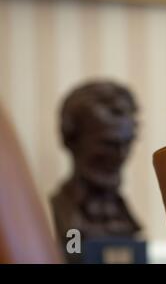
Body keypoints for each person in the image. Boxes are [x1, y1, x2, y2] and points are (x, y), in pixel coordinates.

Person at [51, 81, 141, 252]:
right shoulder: (60, 214)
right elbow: (73, 250)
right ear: (71, 140)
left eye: (127, 143)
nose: (120, 156)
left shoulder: (123, 215)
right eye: (108, 144)